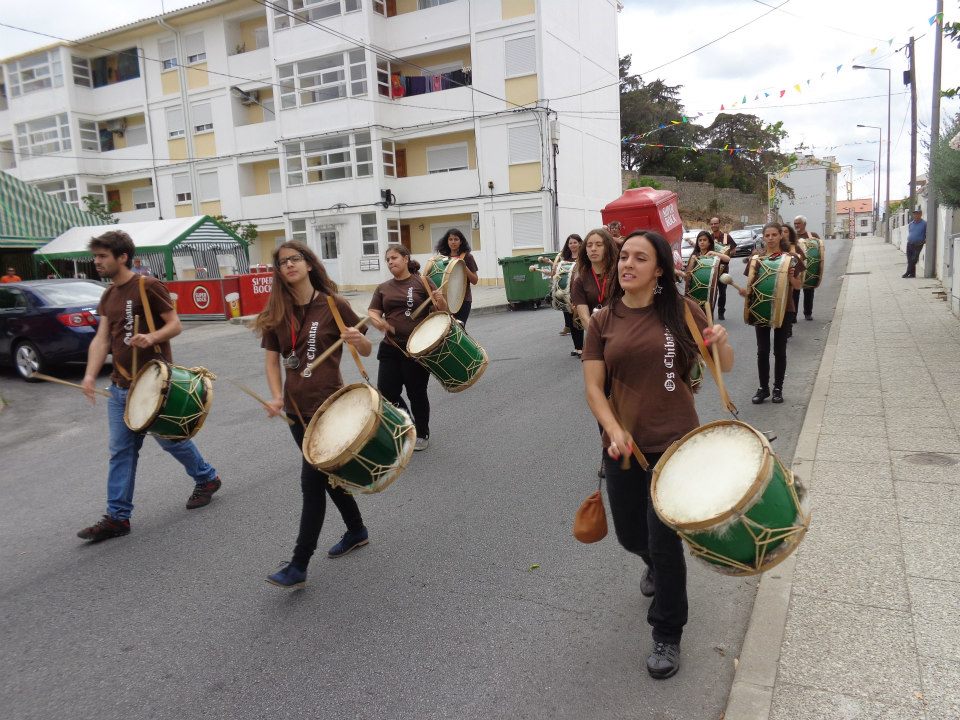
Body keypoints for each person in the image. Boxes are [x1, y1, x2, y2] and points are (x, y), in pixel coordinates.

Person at [582, 229, 733, 679]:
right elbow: (593, 387)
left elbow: (723, 366)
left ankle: (667, 633)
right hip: (624, 448)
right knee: (632, 536)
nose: (627, 263)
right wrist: (612, 429)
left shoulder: (683, 312)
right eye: (623, 256)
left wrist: (720, 339)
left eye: (639, 258)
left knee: (667, 546)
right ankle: (646, 559)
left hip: (677, 447)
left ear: (660, 270)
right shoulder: (602, 322)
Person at [78, 231, 222, 542]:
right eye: (96, 256)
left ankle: (207, 478)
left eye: (102, 256)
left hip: (154, 384)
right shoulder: (107, 296)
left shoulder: (148, 286)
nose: (96, 262)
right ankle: (118, 517)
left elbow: (175, 323)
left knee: (171, 440)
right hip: (120, 388)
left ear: (122, 257)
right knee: (121, 451)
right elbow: (102, 340)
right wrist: (90, 376)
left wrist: (153, 337)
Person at [255, 240, 373, 589]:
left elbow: (366, 348)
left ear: (309, 264)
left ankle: (299, 563)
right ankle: (356, 530)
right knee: (327, 476)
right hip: (295, 413)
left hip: (330, 408)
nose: (288, 265)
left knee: (312, 482)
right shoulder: (277, 310)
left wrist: (356, 339)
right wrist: (276, 396)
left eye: (295, 259)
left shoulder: (333, 305)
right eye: (282, 262)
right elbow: (272, 360)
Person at [368, 244, 445, 452]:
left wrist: (440, 301)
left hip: (417, 349)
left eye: (394, 258)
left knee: (416, 393)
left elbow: (442, 313)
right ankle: (408, 425)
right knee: (386, 392)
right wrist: (378, 322)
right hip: (390, 347)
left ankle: (422, 433)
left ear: (405, 259)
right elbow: (373, 312)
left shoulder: (422, 282)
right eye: (388, 260)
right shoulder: (383, 288)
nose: (390, 262)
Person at [740, 223, 804, 404]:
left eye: (774, 234)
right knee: (762, 351)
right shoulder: (757, 259)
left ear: (780, 236)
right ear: (763, 237)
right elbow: (752, 285)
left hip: (785, 308)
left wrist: (792, 277)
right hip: (760, 308)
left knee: (780, 351)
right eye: (767, 235)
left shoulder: (791, 258)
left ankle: (778, 388)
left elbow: (798, 285)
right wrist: (746, 292)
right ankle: (763, 388)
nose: (770, 238)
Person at [435, 229, 478, 326]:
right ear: (447, 241)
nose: (453, 242)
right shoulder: (442, 258)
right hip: (446, 300)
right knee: (447, 329)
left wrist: (463, 266)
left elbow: (475, 280)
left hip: (464, 300)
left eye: (456, 239)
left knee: (459, 328)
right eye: (450, 239)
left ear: (461, 241)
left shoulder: (468, 257)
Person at [550, 233, 584, 356]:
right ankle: (577, 347)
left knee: (578, 320)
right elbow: (557, 274)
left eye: (575, 242)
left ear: (580, 243)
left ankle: (582, 348)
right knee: (570, 322)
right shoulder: (565, 258)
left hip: (579, 292)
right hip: (565, 294)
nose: (573, 245)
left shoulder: (585, 257)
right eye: (570, 243)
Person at [684, 230, 730, 312]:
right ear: (697, 242)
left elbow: (727, 259)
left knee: (707, 314)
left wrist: (714, 253)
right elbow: (687, 273)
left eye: (704, 240)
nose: (702, 242)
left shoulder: (713, 256)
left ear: (709, 242)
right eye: (700, 240)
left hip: (710, 290)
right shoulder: (695, 255)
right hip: (694, 288)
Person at [708, 217, 737, 319]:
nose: (713, 226)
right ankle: (709, 312)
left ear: (719, 224)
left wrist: (727, 254)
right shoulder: (709, 237)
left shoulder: (726, 237)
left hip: (723, 269)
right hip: (711, 268)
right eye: (712, 224)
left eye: (715, 223)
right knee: (710, 292)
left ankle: (721, 311)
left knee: (722, 292)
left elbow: (734, 250)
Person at [793, 215, 819, 320]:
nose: (796, 225)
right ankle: (793, 316)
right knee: (794, 292)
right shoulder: (792, 236)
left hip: (810, 268)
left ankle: (808, 313)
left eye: (798, 223)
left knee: (809, 291)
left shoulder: (813, 235)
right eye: (795, 223)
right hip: (796, 268)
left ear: (804, 224)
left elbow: (820, 251)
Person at [903, 209, 926, 278]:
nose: (916, 215)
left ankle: (907, 272)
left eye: (918, 214)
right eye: (915, 214)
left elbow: (927, 233)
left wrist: (924, 240)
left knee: (914, 259)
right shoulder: (911, 224)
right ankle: (912, 274)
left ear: (921, 214)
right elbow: (910, 232)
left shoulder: (924, 224)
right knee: (909, 259)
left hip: (918, 244)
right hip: (909, 243)